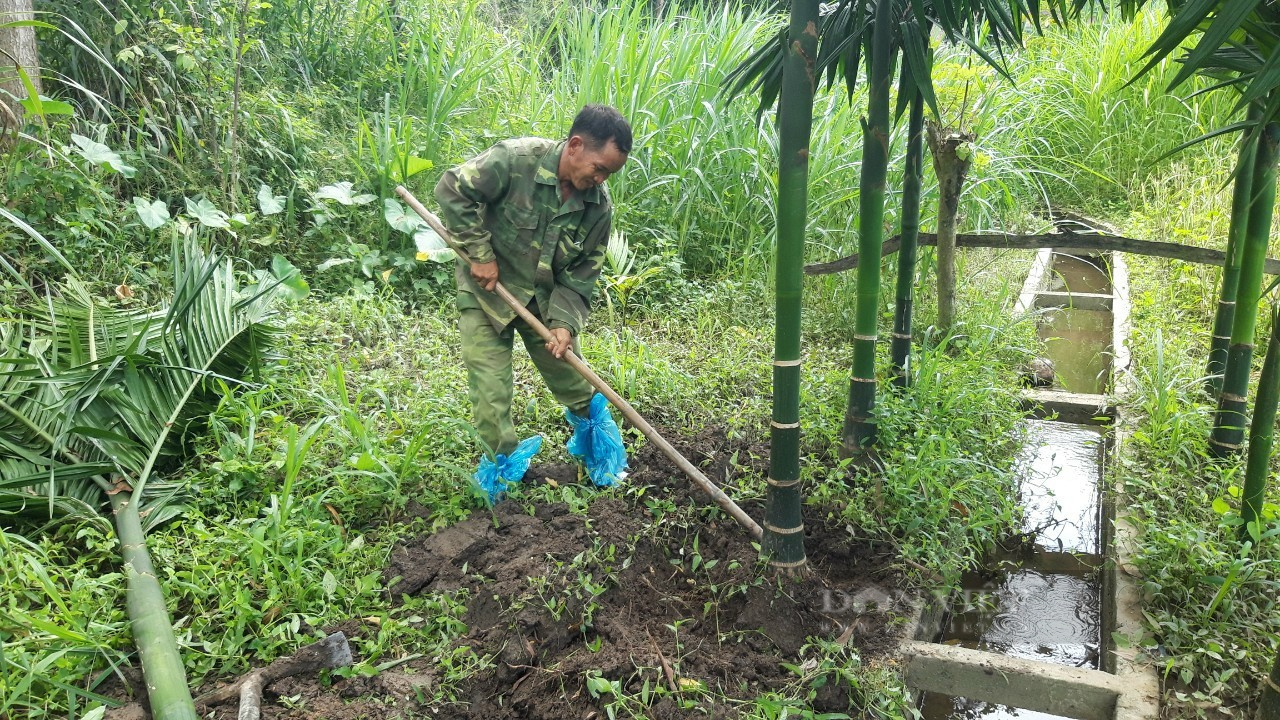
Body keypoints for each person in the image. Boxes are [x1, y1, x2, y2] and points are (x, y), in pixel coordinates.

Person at [435, 104, 632, 500]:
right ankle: (501, 480)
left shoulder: (598, 208)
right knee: (491, 393)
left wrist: (564, 324)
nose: (601, 179)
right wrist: (480, 253)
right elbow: (453, 188)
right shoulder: (514, 160)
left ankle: (603, 463)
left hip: (543, 302)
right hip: (486, 295)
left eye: (610, 172)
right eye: (599, 168)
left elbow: (581, 276)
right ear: (575, 145)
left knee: (577, 384)